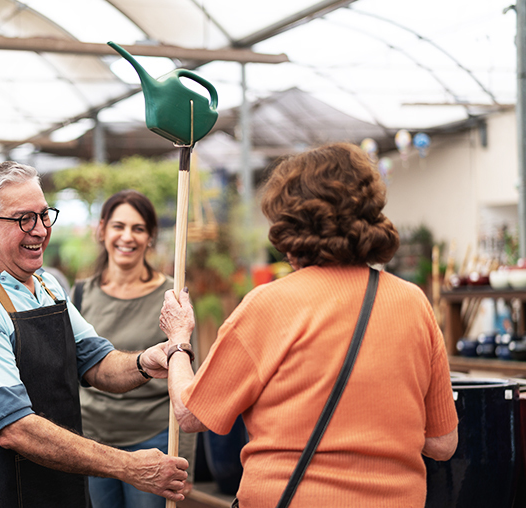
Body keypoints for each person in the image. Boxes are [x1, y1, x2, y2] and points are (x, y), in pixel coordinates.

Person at [159, 143, 458, 507]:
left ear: (289, 222)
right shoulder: (414, 304)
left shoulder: (269, 305)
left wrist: (178, 340)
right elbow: (443, 444)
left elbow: (191, 415)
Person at [0, 161, 187, 508]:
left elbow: (96, 362)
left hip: (58, 487)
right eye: (24, 219)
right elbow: (17, 429)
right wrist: (130, 466)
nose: (40, 230)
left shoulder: (47, 286)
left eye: (44, 214)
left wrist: (145, 362)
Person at [72, 190, 197, 508]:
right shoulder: (80, 294)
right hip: (93, 441)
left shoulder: (172, 297)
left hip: (153, 438)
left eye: (138, 228)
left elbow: (190, 382)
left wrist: (185, 462)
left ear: (150, 237)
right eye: (118, 226)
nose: (127, 237)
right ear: (101, 230)